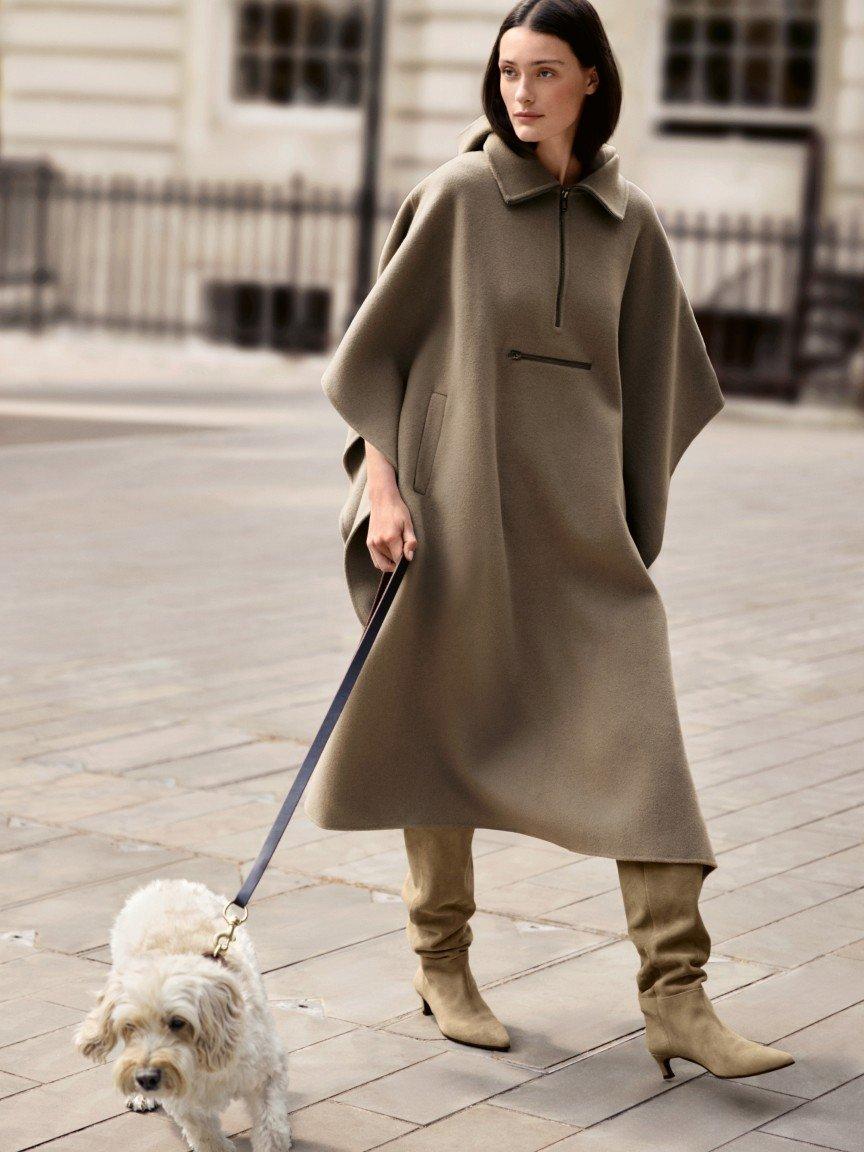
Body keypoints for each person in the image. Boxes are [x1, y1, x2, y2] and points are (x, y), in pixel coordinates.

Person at [304, 0, 795, 1081]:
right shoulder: (457, 197)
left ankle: (677, 998)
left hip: (578, 537)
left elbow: (668, 382)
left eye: (545, 72)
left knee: (644, 741)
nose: (522, 92)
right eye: (508, 71)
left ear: (590, 82)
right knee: (440, 724)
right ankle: (442, 966)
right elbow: (370, 364)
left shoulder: (633, 225)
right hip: (453, 517)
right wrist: (384, 491)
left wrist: (622, 511)